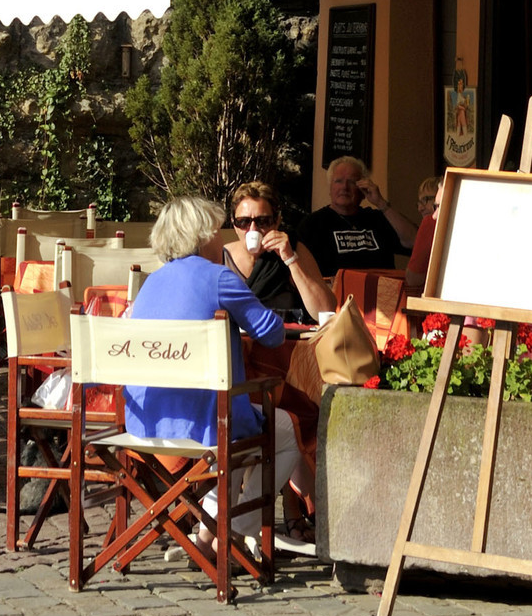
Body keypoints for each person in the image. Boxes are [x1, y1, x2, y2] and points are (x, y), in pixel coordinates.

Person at [126, 192, 312, 553]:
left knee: (243, 424)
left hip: (146, 421)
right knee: (284, 427)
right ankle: (228, 529)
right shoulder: (218, 278)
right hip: (208, 421)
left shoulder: (151, 283)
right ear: (200, 237)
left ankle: (207, 537)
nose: (221, 237)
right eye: (215, 230)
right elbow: (273, 335)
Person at [221, 180, 334, 323]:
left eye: (263, 221)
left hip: (284, 341)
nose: (253, 229)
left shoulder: (293, 249)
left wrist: (291, 260)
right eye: (244, 221)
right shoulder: (221, 257)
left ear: (277, 221)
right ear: (234, 224)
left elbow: (326, 310)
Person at [298, 156, 414, 279]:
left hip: (382, 293)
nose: (344, 187)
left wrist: (381, 203)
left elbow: (414, 242)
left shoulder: (378, 219)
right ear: (330, 188)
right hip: (337, 295)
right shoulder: (312, 224)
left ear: (363, 189)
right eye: (338, 181)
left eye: (352, 182)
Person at [404, 176, 442, 297]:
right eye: (419, 202)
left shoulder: (430, 222)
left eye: (426, 199)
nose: (420, 208)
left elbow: (413, 278)